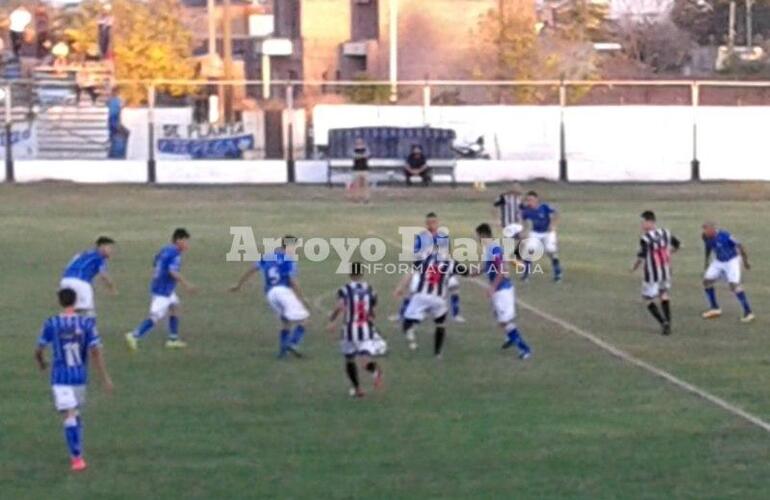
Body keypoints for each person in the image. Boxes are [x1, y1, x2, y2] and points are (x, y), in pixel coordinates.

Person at [35, 288, 113, 472]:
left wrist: (41, 362)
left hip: (60, 378)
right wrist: (104, 377)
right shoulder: (87, 323)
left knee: (71, 415)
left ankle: (77, 458)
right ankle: (77, 456)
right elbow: (95, 352)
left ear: (59, 302)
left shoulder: (52, 323)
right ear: (76, 301)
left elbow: (39, 349)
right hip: (79, 377)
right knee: (72, 413)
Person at [230, 236, 310, 358]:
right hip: (283, 291)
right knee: (304, 320)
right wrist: (302, 298)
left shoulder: (268, 257)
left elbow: (252, 269)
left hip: (270, 294)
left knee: (285, 321)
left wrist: (238, 285)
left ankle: (282, 353)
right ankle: (293, 344)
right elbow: (292, 280)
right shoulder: (289, 260)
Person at [125, 228, 197, 350]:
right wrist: (187, 285)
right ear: (178, 240)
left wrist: (159, 273)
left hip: (162, 287)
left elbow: (155, 261)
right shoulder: (175, 254)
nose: (187, 244)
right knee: (155, 317)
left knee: (175, 306)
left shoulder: (166, 249)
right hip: (163, 291)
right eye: (185, 241)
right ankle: (134, 335)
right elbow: (172, 272)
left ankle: (173, 339)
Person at [395, 246, 467, 358]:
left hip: (421, 296)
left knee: (407, 323)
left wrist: (400, 288)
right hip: (439, 299)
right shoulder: (451, 263)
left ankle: (412, 333)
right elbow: (468, 272)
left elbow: (409, 274)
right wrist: (483, 268)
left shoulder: (423, 259)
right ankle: (438, 353)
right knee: (440, 324)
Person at [326, 262, 384, 398]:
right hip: (366, 329)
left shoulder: (345, 289)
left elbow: (340, 306)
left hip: (349, 329)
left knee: (350, 359)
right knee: (365, 359)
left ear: (350, 274)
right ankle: (375, 371)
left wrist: (332, 320)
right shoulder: (370, 289)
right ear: (362, 274)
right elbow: (373, 308)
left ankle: (357, 388)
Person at [475, 223, 532, 359]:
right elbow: (489, 265)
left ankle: (525, 349)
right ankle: (510, 337)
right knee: (498, 316)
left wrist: (492, 287)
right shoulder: (490, 248)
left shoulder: (493, 249)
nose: (476, 239)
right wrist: (476, 271)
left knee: (504, 321)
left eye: (477, 236)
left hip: (502, 290)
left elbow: (502, 270)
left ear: (483, 235)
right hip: (502, 289)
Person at [631, 211, 680, 335]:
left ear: (650, 222)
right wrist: (668, 254)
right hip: (665, 270)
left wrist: (634, 267)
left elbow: (641, 257)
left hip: (651, 273)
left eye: (643, 222)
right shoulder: (665, 232)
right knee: (663, 294)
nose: (642, 225)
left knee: (647, 299)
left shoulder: (645, 238)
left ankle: (663, 322)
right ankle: (668, 321)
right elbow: (677, 245)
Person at [701, 222, 754, 323]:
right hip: (719, 261)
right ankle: (715, 308)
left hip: (732, 261)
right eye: (704, 231)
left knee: (734, 285)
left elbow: (740, 246)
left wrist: (745, 262)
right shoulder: (705, 236)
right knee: (707, 282)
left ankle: (748, 312)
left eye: (707, 231)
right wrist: (706, 261)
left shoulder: (725, 236)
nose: (705, 233)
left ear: (713, 229)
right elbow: (708, 247)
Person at [59, 237, 118, 316]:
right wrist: (112, 289)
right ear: (102, 247)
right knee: (89, 311)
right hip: (80, 282)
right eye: (110, 248)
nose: (112, 251)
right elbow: (104, 275)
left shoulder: (83, 254)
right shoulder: (99, 258)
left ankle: (65, 321)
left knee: (72, 308)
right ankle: (89, 324)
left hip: (65, 281)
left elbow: (68, 266)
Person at [520, 190, 562, 282]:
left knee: (551, 251)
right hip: (535, 232)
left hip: (548, 232)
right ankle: (525, 275)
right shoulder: (527, 210)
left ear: (536, 199)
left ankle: (558, 273)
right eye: (528, 200)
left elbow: (557, 212)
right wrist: (524, 231)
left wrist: (553, 225)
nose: (529, 202)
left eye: (531, 200)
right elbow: (523, 220)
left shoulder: (544, 207)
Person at [349, 138, 370, 204]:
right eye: (358, 142)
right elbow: (353, 156)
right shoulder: (353, 149)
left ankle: (366, 198)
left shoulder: (366, 149)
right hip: (356, 169)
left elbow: (367, 155)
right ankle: (356, 198)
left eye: (360, 142)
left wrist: (360, 156)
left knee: (365, 184)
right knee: (356, 185)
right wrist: (362, 156)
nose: (359, 143)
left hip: (365, 169)